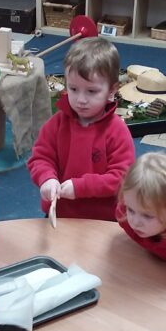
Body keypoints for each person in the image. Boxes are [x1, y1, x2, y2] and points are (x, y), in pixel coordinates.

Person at [27, 38, 135, 220]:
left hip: (102, 220)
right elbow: (40, 158)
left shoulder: (117, 131)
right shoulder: (56, 124)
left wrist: (81, 187)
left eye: (92, 91)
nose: (81, 99)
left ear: (111, 90)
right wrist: (47, 178)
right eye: (73, 89)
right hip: (61, 215)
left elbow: (121, 178)